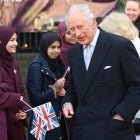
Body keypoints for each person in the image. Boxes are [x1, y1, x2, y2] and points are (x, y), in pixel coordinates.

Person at [62, 3, 140, 140]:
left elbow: (137, 86)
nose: (77, 34)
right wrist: (67, 102)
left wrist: (121, 115)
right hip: (83, 131)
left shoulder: (120, 46)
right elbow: (74, 85)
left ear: (93, 22)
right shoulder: (73, 52)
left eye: (80, 27)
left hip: (113, 132)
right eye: (72, 29)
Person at [26, 32, 68, 140]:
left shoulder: (58, 64)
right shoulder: (36, 66)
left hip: (57, 115)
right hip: (43, 118)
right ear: (45, 47)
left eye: (58, 47)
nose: (56, 51)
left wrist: (62, 91)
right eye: (52, 47)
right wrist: (54, 90)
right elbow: (34, 98)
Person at [0, 26, 28, 140]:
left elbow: (21, 90)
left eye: (16, 39)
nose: (16, 43)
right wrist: (15, 98)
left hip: (17, 121)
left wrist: (25, 110)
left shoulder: (14, 64)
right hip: (3, 121)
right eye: (11, 40)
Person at [57, 21, 76, 140]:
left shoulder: (83, 48)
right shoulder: (59, 54)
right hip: (66, 98)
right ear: (61, 35)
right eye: (68, 33)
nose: (73, 34)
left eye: (74, 30)